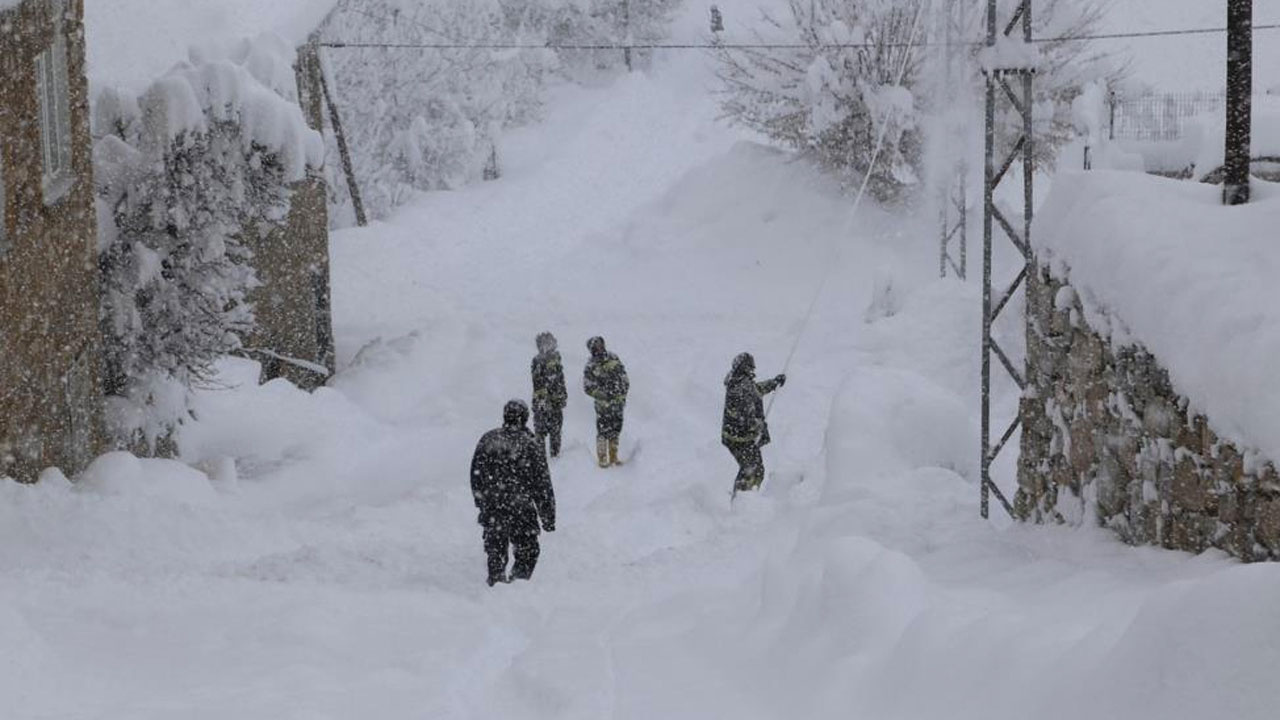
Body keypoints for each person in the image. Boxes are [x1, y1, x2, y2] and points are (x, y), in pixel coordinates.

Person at [470, 400, 556, 586]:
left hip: (494, 507)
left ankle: (497, 582)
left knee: (495, 550)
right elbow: (542, 484)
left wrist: (482, 502)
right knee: (528, 550)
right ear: (525, 418)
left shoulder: (488, 439)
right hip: (521, 508)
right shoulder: (531, 444)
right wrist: (548, 516)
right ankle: (518, 583)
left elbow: (475, 475)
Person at [721, 353, 785, 493]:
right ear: (745, 368)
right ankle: (743, 500)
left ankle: (744, 497)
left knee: (752, 468)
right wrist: (759, 425)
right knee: (753, 470)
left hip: (738, 438)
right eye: (751, 368)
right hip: (740, 440)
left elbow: (757, 390)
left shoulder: (740, 382)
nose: (753, 371)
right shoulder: (741, 388)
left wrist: (773, 383)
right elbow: (746, 418)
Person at [583, 336, 630, 468]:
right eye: (595, 346)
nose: (598, 347)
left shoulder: (613, 358)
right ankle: (602, 458)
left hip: (618, 403)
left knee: (616, 429)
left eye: (600, 344)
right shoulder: (590, 365)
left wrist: (623, 390)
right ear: (591, 349)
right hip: (603, 406)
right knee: (603, 431)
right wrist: (602, 395)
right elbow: (587, 387)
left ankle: (614, 456)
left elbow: (623, 376)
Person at [531, 332, 568, 458]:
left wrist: (562, 396)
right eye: (545, 343)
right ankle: (540, 458)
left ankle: (555, 456)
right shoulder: (537, 361)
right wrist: (544, 399)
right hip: (542, 403)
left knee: (556, 431)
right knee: (540, 432)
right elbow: (538, 383)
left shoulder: (557, 359)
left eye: (550, 342)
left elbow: (561, 380)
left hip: (556, 403)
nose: (548, 345)